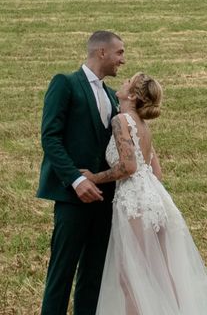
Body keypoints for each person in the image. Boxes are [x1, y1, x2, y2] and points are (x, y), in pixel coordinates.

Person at [81, 72, 207, 314]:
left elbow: (128, 167)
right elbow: (155, 172)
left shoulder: (121, 121)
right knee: (160, 275)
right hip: (156, 198)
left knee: (131, 279)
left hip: (135, 200)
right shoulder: (143, 125)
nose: (124, 81)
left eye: (128, 81)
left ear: (132, 95)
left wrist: (93, 177)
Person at [38, 30, 126, 315]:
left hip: (104, 199)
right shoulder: (65, 83)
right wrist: (75, 180)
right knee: (61, 274)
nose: (122, 61)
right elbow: (50, 137)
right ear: (102, 52)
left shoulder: (113, 96)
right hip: (72, 197)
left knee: (93, 276)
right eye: (120, 53)